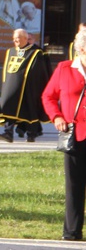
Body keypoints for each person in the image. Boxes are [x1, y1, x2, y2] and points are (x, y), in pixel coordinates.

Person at [42, 30, 86, 241]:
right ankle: (72, 231)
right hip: (75, 135)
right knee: (74, 186)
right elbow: (48, 96)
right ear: (82, 48)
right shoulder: (65, 68)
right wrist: (57, 117)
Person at [0, 29, 50, 143]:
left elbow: (38, 71)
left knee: (29, 111)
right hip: (11, 87)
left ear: (25, 39)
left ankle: (31, 134)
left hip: (28, 88)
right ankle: (8, 133)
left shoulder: (35, 52)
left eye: (18, 37)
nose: (15, 40)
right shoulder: (10, 51)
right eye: (14, 37)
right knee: (9, 108)